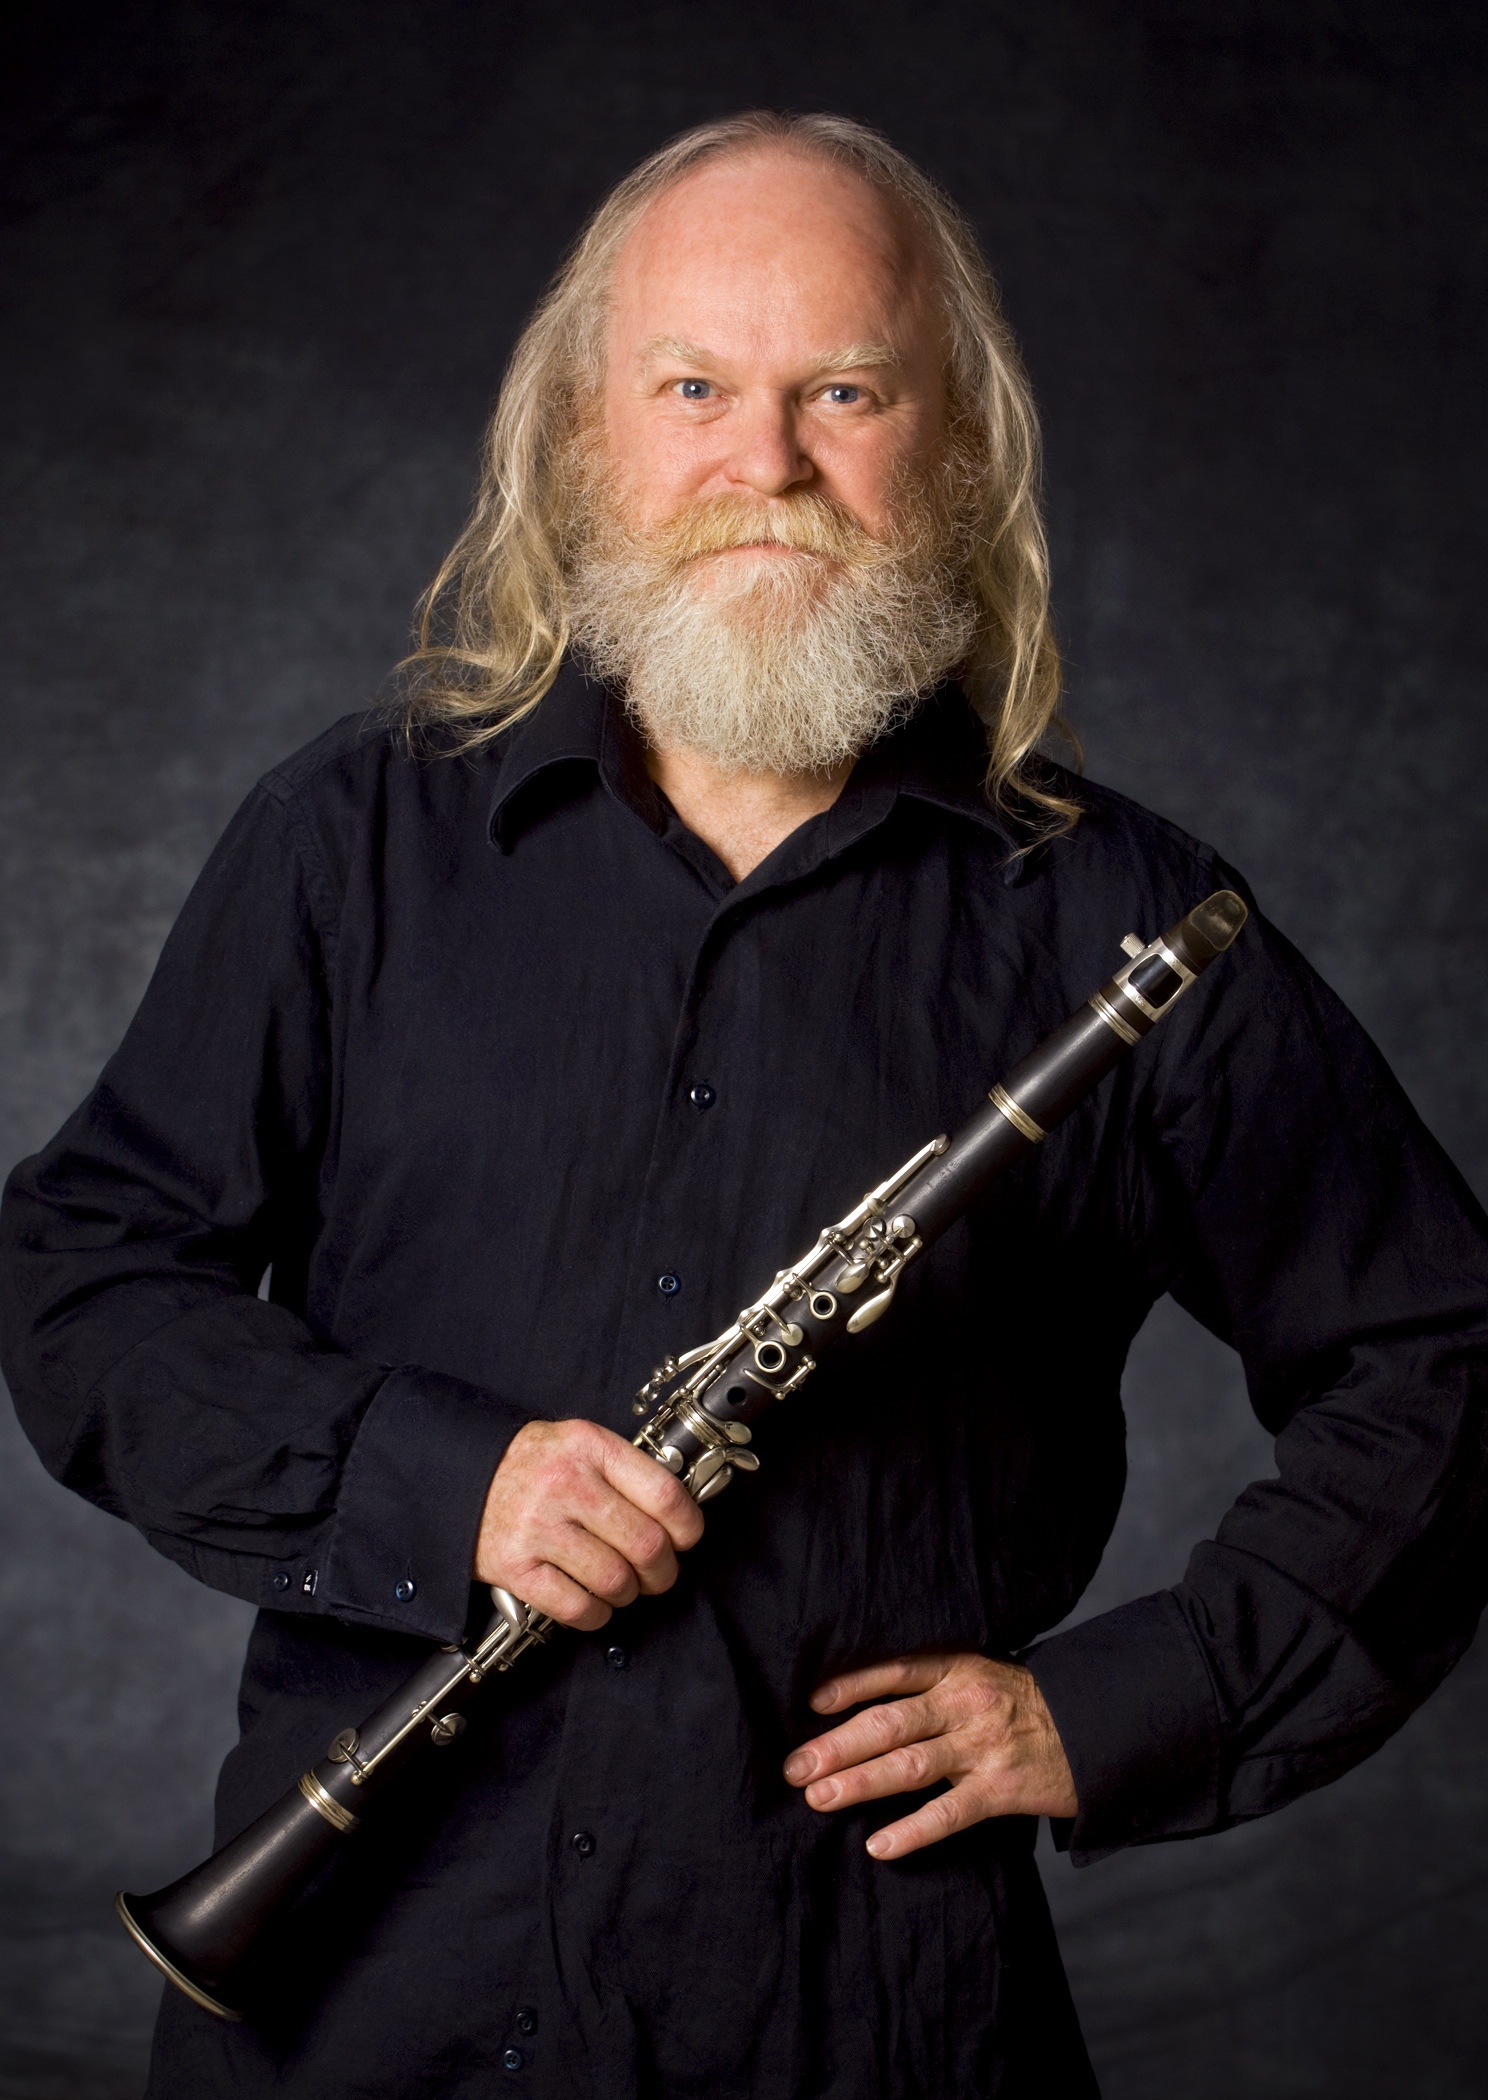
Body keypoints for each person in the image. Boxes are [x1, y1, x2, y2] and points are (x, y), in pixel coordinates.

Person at [2, 111, 1485, 2100]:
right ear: (585, 436)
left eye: (844, 392)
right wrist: (454, 1489)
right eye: (693, 387)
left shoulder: (1132, 924)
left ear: (952, 446)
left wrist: (1131, 1707)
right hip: (366, 1997)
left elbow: (1443, 1360)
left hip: (857, 2012)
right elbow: (82, 1281)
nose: (765, 463)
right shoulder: (350, 847)